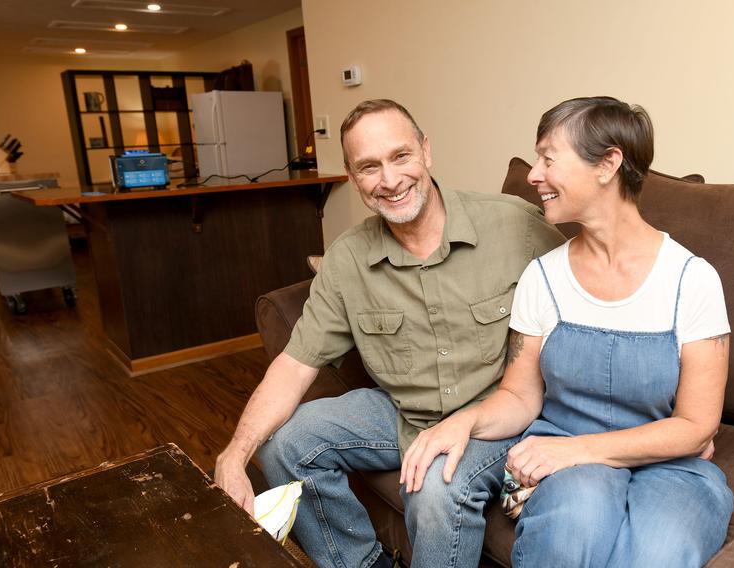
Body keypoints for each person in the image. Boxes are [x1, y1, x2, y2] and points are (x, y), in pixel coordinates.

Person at [214, 99, 565, 568]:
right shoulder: (347, 259)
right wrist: (235, 455)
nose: (390, 180)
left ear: (425, 151)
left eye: (400, 156)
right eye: (369, 167)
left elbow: (591, 294)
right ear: (352, 176)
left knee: (437, 485)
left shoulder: (513, 225)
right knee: (286, 444)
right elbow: (295, 365)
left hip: (497, 417)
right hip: (405, 413)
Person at [400, 96, 734, 567]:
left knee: (659, 550)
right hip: (561, 451)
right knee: (572, 525)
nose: (534, 174)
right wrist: (466, 420)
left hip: (669, 465)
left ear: (608, 164)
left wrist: (578, 450)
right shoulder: (543, 277)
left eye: (548, 158)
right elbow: (519, 396)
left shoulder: (691, 280)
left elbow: (696, 426)